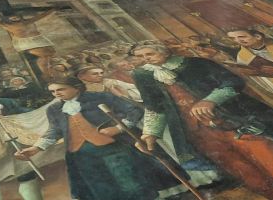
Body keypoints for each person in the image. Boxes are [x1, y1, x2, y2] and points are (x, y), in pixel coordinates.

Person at [129, 41, 273, 200]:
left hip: (237, 123)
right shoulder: (143, 76)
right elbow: (153, 106)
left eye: (150, 53)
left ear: (165, 52)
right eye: (141, 56)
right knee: (251, 177)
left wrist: (211, 100)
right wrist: (150, 134)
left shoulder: (197, 64)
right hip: (200, 135)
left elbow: (233, 81)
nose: (146, 58)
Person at [14, 78, 182, 200]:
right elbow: (54, 131)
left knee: (130, 182)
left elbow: (134, 111)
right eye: (52, 91)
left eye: (60, 89)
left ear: (77, 88)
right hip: (80, 154)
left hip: (114, 147)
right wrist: (35, 148)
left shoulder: (101, 98)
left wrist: (118, 128)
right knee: (101, 188)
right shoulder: (55, 109)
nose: (56, 94)